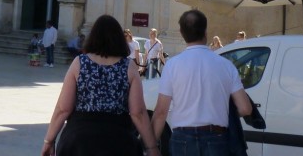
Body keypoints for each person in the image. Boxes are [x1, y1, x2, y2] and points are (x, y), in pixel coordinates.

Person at [41, 14, 159, 156]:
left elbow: (63, 109)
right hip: (118, 140)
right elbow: (138, 113)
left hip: (79, 140)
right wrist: (152, 148)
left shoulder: (79, 63)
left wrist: (49, 141)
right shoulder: (129, 67)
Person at [151, 9, 256, 156]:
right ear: (206, 31)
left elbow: (161, 112)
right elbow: (246, 108)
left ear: (181, 33)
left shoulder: (172, 65)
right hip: (217, 138)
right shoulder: (226, 65)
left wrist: (151, 147)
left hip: (182, 139)